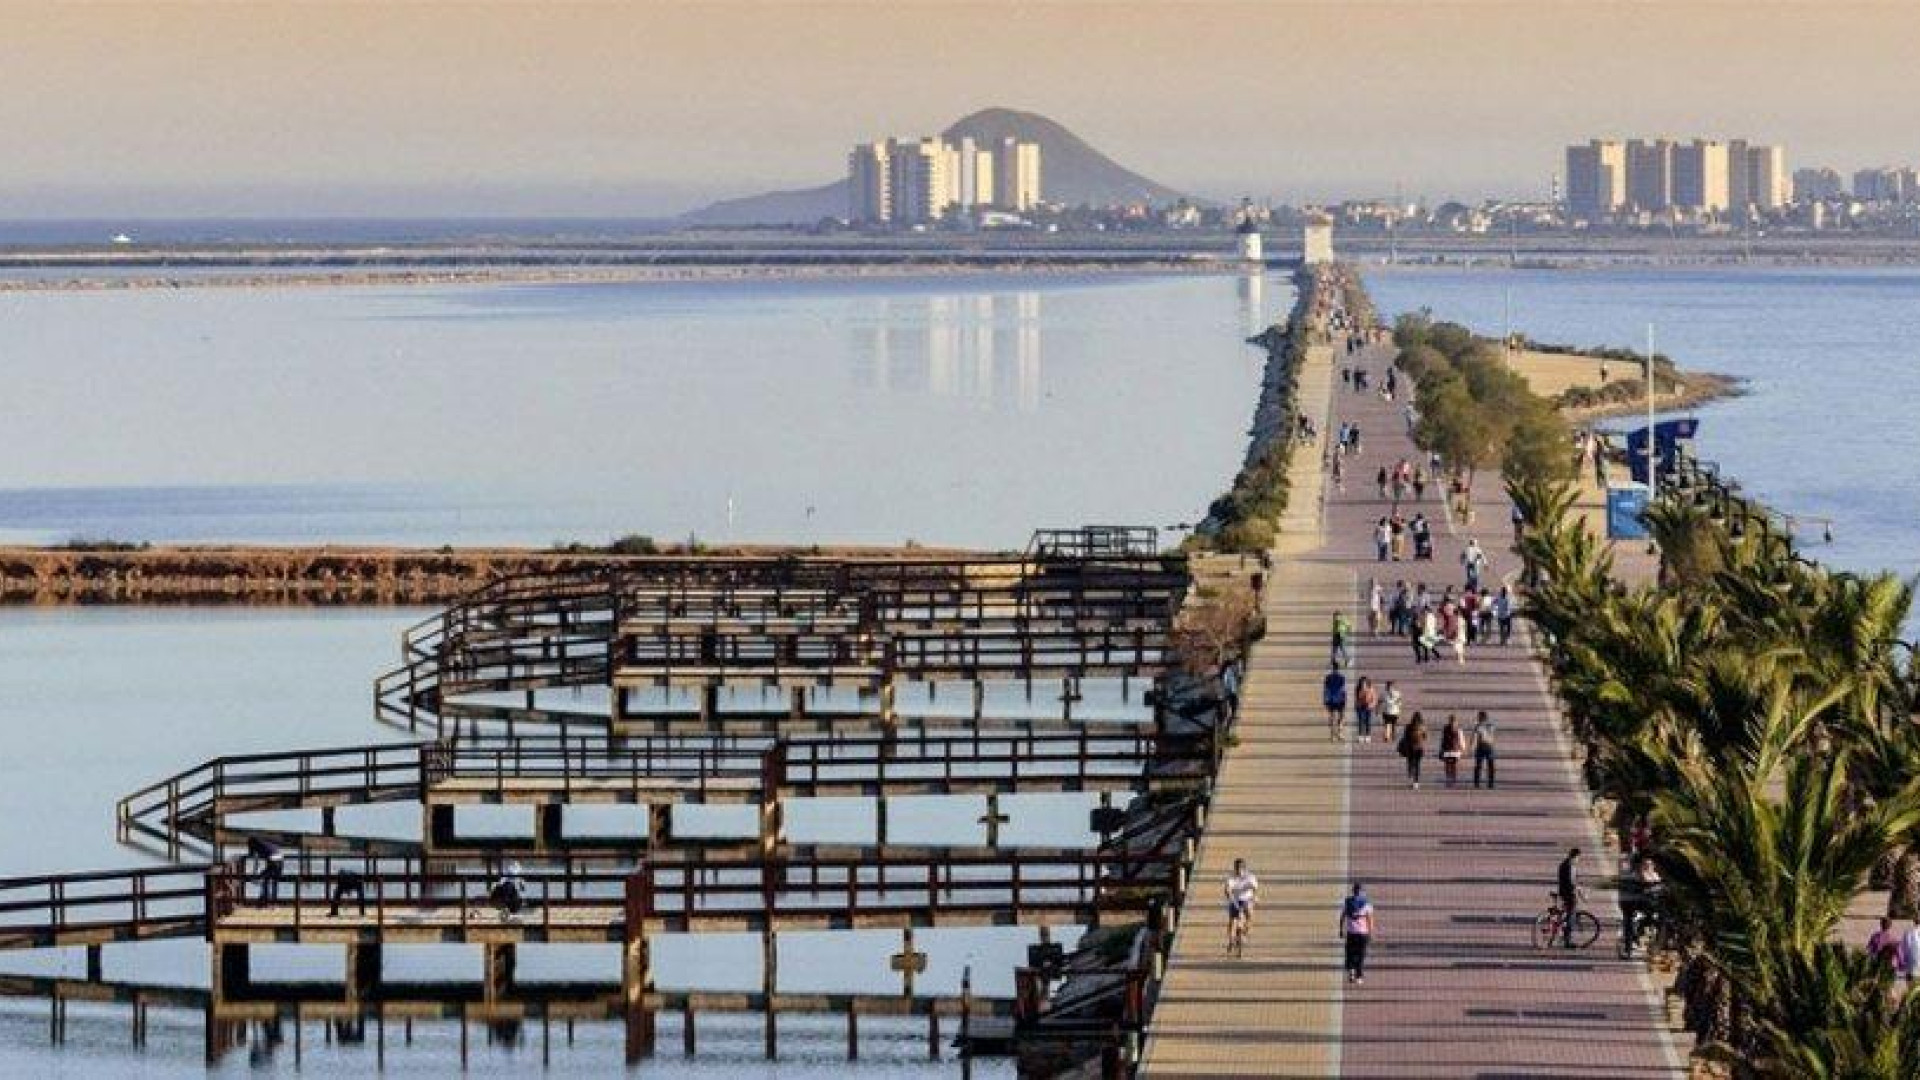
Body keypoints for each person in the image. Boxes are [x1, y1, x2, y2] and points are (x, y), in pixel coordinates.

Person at [1338, 883, 1375, 984]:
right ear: (1362, 892)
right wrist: (1371, 933)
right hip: (1363, 933)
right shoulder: (1367, 904)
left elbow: (1342, 916)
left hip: (1351, 933)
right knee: (1361, 955)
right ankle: (1359, 976)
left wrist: (1341, 929)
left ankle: (1351, 972)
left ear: (1353, 891)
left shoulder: (1348, 902)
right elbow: (1370, 920)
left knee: (1350, 954)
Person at [1225, 858, 1259, 956]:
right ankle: (1231, 940)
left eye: (1241, 868)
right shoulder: (1231, 878)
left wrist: (1255, 897)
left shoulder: (1250, 877)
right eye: (1237, 868)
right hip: (1235, 900)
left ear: (1244, 869)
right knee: (1232, 921)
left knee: (1249, 915)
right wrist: (1231, 899)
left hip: (1246, 899)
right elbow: (1227, 890)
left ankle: (1244, 933)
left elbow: (1255, 888)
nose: (1239, 871)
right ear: (1235, 869)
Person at [1556, 848, 1583, 948]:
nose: (1578, 860)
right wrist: (1580, 893)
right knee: (1571, 917)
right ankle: (1567, 941)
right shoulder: (1571, 866)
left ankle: (1561, 931)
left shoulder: (1564, 863)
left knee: (1567, 913)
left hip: (1562, 891)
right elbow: (1572, 883)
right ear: (1575, 856)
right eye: (1578, 858)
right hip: (1569, 894)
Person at [248, 836, 285, 902]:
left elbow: (256, 861)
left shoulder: (258, 847)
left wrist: (255, 874)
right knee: (273, 880)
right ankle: (272, 899)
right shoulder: (265, 843)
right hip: (280, 859)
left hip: (274, 860)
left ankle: (265, 898)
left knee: (264, 877)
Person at [1398, 712, 1428, 789]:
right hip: (1419, 748)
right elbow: (1425, 737)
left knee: (1410, 761)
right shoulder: (1423, 727)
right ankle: (1416, 782)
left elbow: (1405, 737)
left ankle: (1410, 772)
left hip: (1410, 747)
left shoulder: (1409, 726)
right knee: (1417, 765)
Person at [1471, 710, 1498, 789]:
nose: (1478, 718)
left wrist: (1472, 746)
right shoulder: (1491, 725)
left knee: (1479, 766)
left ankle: (1477, 783)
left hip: (1482, 746)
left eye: (1479, 717)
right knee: (1490, 766)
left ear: (1481, 717)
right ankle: (1490, 783)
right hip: (1489, 746)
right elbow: (1493, 735)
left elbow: (1475, 736)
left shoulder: (1478, 726)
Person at [1323, 663, 1349, 741]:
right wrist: (1345, 699)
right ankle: (1339, 734)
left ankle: (1332, 735)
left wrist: (1325, 699)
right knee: (1340, 717)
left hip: (1331, 699)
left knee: (1332, 717)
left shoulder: (1328, 677)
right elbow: (1343, 689)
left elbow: (1326, 689)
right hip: (1340, 699)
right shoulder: (1341, 677)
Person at [1439, 714, 1465, 787]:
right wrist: (1463, 748)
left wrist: (1441, 748)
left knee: (1448, 765)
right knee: (1453, 766)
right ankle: (1453, 780)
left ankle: (1449, 780)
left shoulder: (1445, 728)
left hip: (1447, 749)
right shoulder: (1458, 729)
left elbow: (1442, 739)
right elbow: (1461, 739)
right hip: (1455, 750)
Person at [1354, 676, 1378, 743]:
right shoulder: (1358, 689)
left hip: (1368, 707)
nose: (1363, 684)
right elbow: (1357, 698)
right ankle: (1360, 736)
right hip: (1360, 707)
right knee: (1361, 722)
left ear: (1367, 682)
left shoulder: (1371, 689)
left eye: (1364, 682)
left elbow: (1374, 699)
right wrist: (1363, 691)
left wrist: (1372, 705)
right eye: (1362, 683)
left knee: (1368, 722)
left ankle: (1368, 736)